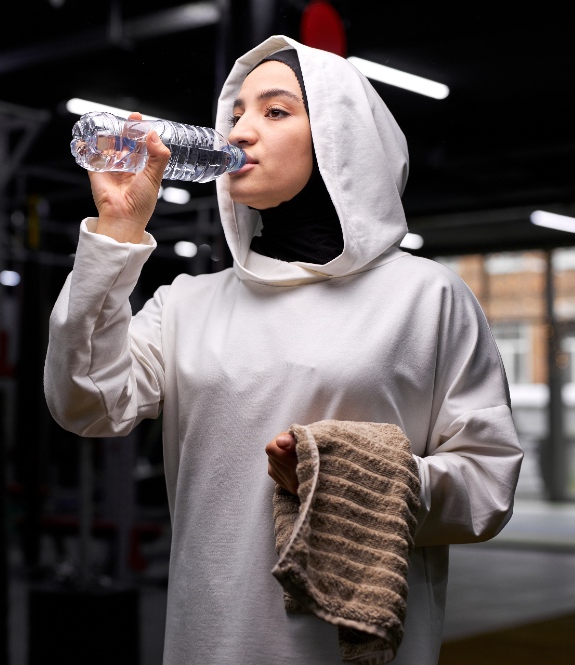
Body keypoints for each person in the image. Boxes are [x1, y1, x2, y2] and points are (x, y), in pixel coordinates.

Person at [44, 35, 523, 664]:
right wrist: (118, 229)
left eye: (274, 111)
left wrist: (362, 479)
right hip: (209, 640)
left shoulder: (426, 296)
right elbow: (84, 402)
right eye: (237, 112)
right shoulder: (191, 302)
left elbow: (488, 484)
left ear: (338, 137)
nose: (240, 131)